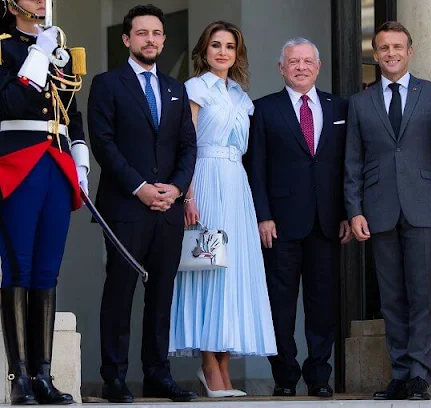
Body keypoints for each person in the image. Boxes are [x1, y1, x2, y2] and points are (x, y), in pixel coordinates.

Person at [88, 4, 197, 403]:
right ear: (126, 39)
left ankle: (157, 375)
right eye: (142, 33)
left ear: (163, 40)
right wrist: (141, 187)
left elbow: (188, 145)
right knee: (119, 291)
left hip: (167, 208)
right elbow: (104, 143)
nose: (150, 40)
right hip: (125, 207)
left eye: (156, 33)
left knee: (162, 294)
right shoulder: (107, 83)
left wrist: (175, 188)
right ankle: (114, 377)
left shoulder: (175, 88)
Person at [168, 20, 277, 398]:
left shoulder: (241, 96)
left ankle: (224, 367)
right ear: (204, 49)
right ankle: (208, 366)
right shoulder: (195, 89)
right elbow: (187, 145)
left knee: (234, 277)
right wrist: (189, 195)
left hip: (236, 187)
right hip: (205, 182)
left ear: (237, 53)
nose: (222, 52)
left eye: (230, 46)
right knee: (208, 272)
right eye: (216, 45)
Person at [344, 21, 431, 401]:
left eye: (397, 47)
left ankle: (419, 376)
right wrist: (354, 210)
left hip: (424, 207)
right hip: (379, 209)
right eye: (384, 47)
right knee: (391, 297)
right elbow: (352, 162)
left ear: (410, 51)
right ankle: (400, 373)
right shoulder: (360, 101)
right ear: (375, 53)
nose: (391, 54)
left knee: (422, 295)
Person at [245, 37, 351, 398]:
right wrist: (263, 215)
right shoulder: (263, 109)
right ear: (281, 68)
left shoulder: (340, 107)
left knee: (323, 305)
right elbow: (255, 168)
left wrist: (346, 213)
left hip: (327, 222)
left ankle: (320, 376)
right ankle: (286, 377)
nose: (301, 67)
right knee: (280, 306)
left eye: (307, 61)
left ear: (318, 67)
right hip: (280, 224)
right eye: (293, 62)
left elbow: (345, 167)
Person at [0, 0, 88, 404]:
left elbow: (72, 113)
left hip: (57, 160)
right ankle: (19, 379)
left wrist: (81, 164)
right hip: (17, 160)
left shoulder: (60, 47)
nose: (40, 1)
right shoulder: (4, 45)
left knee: (47, 271)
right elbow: (11, 104)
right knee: (19, 265)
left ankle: (43, 376)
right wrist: (36, 55)